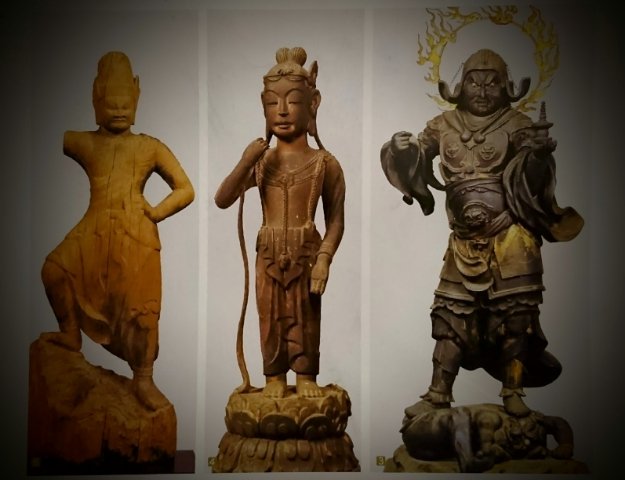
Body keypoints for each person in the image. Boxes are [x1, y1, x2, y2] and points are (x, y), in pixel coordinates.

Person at [380, 49, 583, 416]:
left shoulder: (517, 124)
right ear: (461, 85)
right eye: (474, 82)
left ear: (507, 87)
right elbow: (419, 157)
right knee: (448, 316)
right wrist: (401, 150)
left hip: (511, 237)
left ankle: (513, 390)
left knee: (515, 319)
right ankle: (438, 392)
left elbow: (533, 180)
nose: (483, 91)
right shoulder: (443, 124)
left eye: (492, 83)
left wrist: (539, 157)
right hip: (462, 240)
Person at [41, 51, 195, 411]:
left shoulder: (149, 147)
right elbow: (55, 137)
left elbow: (185, 189)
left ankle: (144, 377)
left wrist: (156, 212)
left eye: (126, 103)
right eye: (111, 103)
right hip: (94, 230)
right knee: (53, 271)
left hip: (136, 235)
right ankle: (70, 334)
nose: (119, 110)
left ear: (137, 99)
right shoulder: (85, 142)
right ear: (96, 99)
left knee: (143, 314)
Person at [215, 47, 345, 399]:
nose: (283, 110)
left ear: (313, 104)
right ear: (264, 106)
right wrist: (245, 161)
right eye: (273, 103)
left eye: (294, 101)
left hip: (306, 255)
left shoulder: (325, 164)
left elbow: (336, 221)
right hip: (269, 254)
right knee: (269, 317)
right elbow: (223, 198)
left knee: (305, 317)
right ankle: (273, 376)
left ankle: (305, 376)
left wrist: (324, 260)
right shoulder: (261, 163)